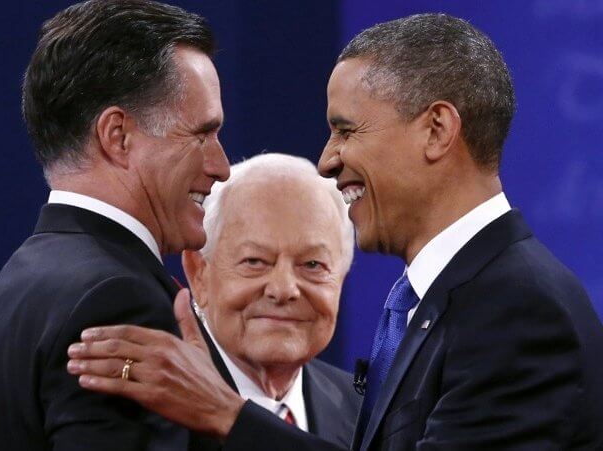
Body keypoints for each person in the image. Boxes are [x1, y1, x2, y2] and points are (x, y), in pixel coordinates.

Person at [65, 13, 603, 451]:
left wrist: (226, 414)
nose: (326, 161)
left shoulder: (517, 308)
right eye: (254, 261)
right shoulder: (452, 297)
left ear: (437, 130)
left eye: (346, 130)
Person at [0, 1, 230, 450]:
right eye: (201, 134)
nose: (221, 166)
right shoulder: (118, 300)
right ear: (118, 136)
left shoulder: (20, 281)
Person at [169, 153, 359, 447]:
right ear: (199, 274)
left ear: (342, 279)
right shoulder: (151, 410)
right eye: (255, 261)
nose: (283, 289)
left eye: (312, 265)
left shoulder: (367, 412)